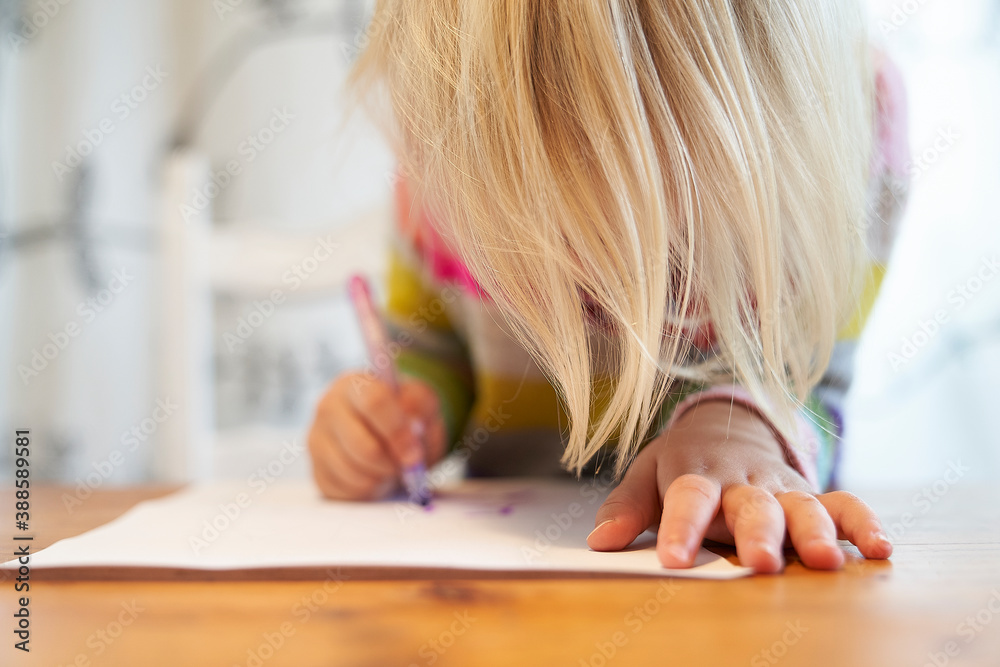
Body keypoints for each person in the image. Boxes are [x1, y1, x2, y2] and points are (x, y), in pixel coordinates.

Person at [308, 0, 910, 573]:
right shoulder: (444, 149)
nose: (578, 280)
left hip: (729, 593)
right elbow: (433, 351)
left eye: (665, 257)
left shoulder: (844, 135)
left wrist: (744, 433)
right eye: (527, 241)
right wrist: (401, 416)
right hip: (500, 595)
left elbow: (811, 384)